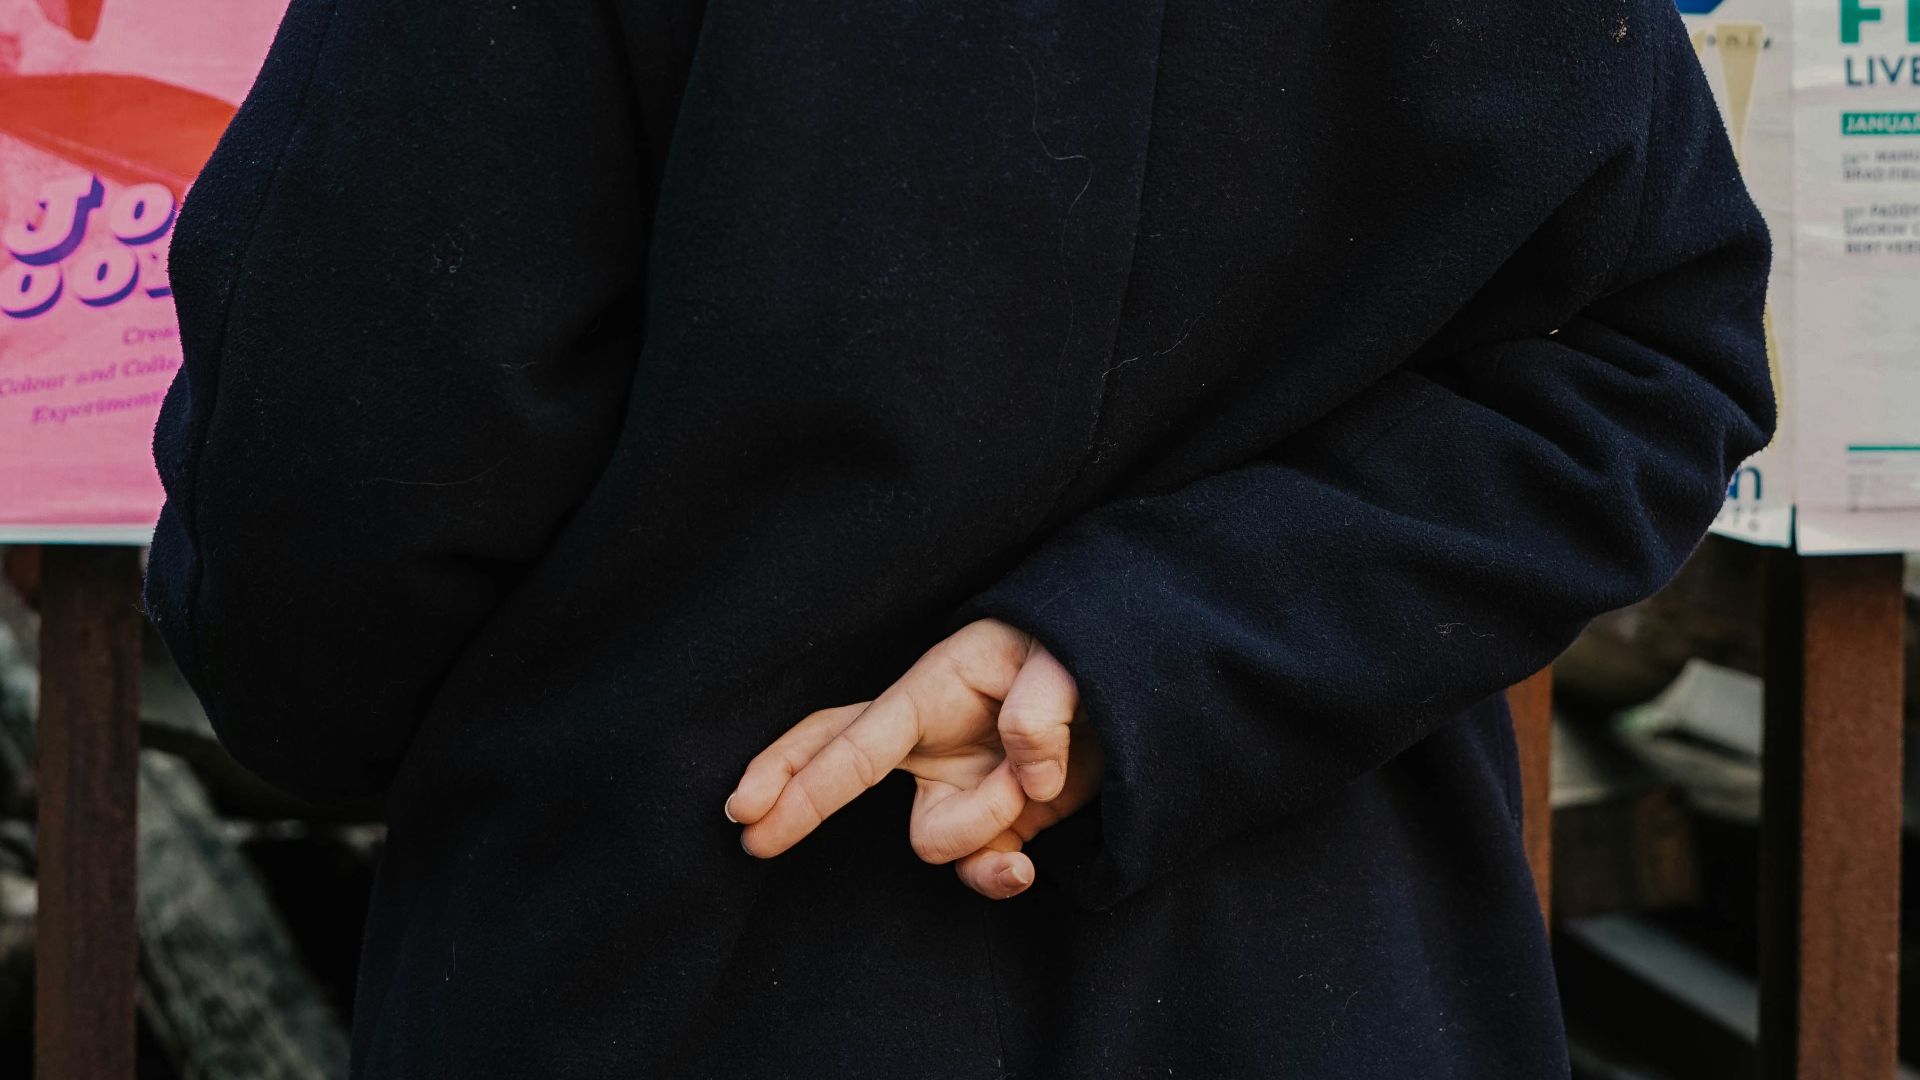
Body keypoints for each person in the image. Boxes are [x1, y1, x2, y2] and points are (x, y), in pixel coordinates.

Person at [141, 0, 1776, 1075]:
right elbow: (1640, 360)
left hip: (674, 956)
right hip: (1318, 976)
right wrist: (1164, 644)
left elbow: (332, 503)